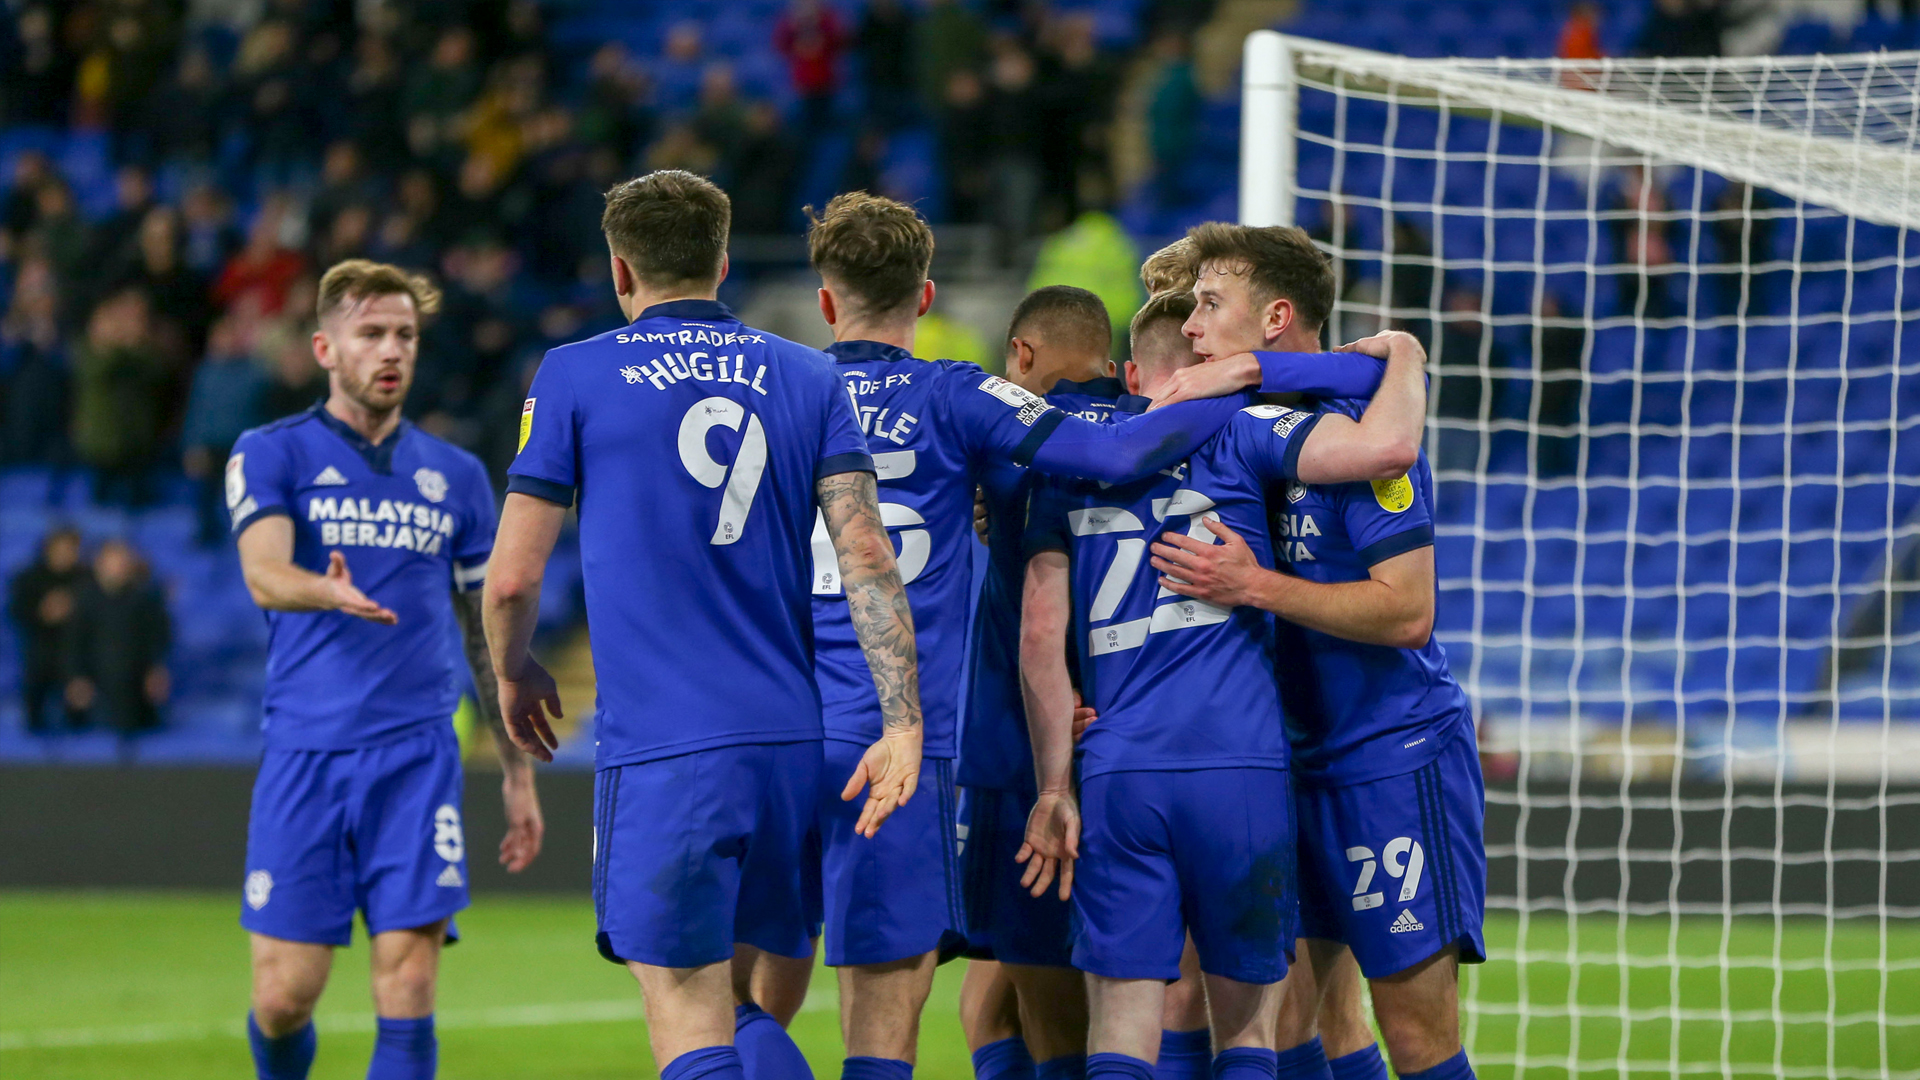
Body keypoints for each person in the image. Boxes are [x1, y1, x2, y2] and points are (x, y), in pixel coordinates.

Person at [483, 170, 922, 1080]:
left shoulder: (574, 371)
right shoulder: (809, 373)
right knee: (750, 1004)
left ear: (619, 272)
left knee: (684, 1004)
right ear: (722, 262)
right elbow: (869, 558)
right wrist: (903, 720)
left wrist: (513, 671)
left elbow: (514, 576)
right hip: (791, 749)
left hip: (668, 749)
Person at [1017, 222, 1428, 1080]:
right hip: (1243, 759)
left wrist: (1055, 782)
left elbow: (1037, 637)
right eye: (1198, 314)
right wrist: (1405, 353)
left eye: (1215, 307)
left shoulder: (1070, 455)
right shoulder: (1246, 434)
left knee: (1130, 1024)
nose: (1204, 326)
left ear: (1135, 375)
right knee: (1261, 1032)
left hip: (1125, 764)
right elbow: (1383, 436)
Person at [1148, 223, 1486, 1080]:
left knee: (1412, 1033)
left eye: (1210, 306)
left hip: (1388, 758)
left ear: (1276, 320)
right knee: (1294, 1021)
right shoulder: (1228, 435)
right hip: (1276, 763)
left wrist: (1254, 586)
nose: (1191, 327)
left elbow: (1409, 612)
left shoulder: (1360, 437)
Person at [227, 259, 545, 1080]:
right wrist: (323, 590)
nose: (391, 349)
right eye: (371, 334)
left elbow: (485, 634)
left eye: (404, 334)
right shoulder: (272, 453)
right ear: (325, 348)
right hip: (307, 753)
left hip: (416, 757)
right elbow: (262, 572)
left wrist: (514, 770)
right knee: (285, 994)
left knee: (408, 981)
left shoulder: (459, 477)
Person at [64, 537, 170, 739]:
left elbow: (158, 638)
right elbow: (73, 643)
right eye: (113, 560)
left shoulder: (145, 598)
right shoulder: (84, 598)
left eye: (123, 560)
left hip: (136, 684)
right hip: (95, 682)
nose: (119, 566)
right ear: (99, 563)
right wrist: (75, 678)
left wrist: (156, 670)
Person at [8, 526, 88, 734]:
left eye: (70, 548)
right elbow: (15, 613)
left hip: (76, 661)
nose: (64, 554)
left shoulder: (86, 579)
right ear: (47, 549)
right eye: (59, 548)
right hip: (39, 658)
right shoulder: (27, 578)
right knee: (35, 722)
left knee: (80, 724)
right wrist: (42, 612)